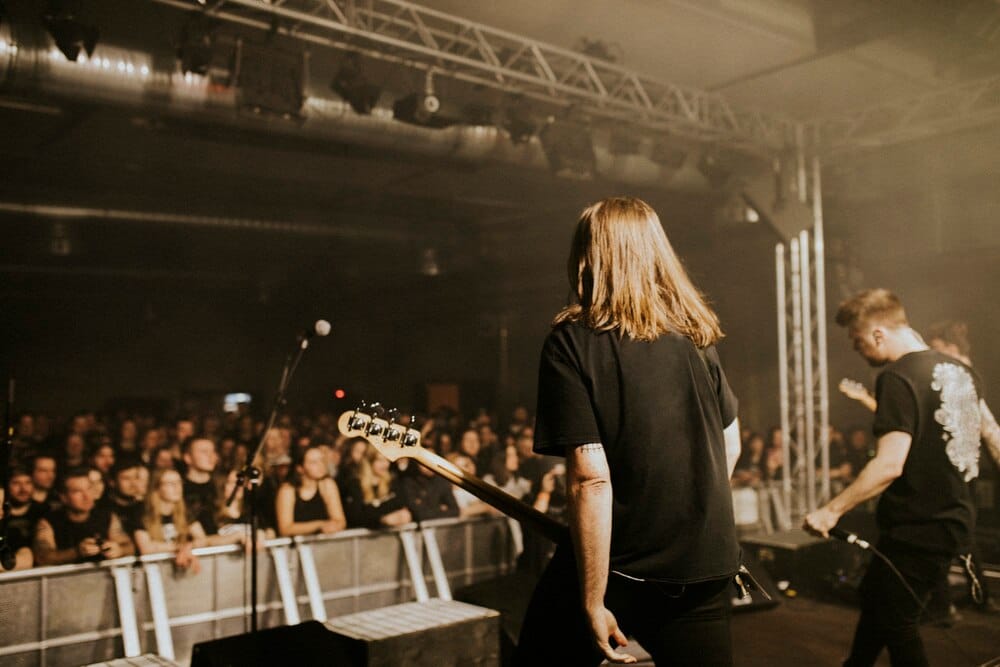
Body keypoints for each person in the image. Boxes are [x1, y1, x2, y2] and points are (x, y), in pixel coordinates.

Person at [515, 197, 742, 666]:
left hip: (623, 567)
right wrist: (687, 515)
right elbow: (730, 442)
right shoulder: (696, 335)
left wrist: (593, 601)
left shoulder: (573, 340)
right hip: (708, 565)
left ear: (588, 255)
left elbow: (590, 478)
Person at [804, 289, 987, 666]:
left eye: (858, 343)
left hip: (919, 525)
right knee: (876, 600)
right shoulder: (963, 371)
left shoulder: (897, 377)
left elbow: (890, 464)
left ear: (878, 334)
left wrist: (831, 511)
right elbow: (985, 438)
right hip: (954, 517)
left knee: (897, 620)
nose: (859, 353)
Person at [34, 467, 134, 565]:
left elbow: (129, 547)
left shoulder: (106, 516)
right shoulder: (48, 521)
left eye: (89, 489)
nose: (86, 496)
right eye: (77, 491)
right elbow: (42, 558)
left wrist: (119, 550)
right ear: (64, 497)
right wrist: (76, 552)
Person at [135, 468, 206, 571]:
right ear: (157, 488)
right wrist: (180, 548)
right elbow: (146, 548)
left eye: (179, 482)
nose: (177, 487)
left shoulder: (185, 511)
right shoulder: (142, 513)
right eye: (170, 483)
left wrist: (187, 547)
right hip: (154, 571)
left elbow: (202, 539)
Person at [275, 443, 347, 536]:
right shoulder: (287, 490)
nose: (320, 465)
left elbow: (340, 521)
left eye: (321, 460)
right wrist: (319, 525)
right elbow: (285, 529)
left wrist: (335, 526)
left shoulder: (327, 484)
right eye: (314, 462)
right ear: (300, 468)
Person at [339, 444, 412, 529]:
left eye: (387, 460)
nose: (385, 464)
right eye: (380, 460)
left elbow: (402, 503)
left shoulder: (392, 481)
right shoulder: (355, 484)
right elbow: (356, 516)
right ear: (369, 461)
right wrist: (382, 519)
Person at [1, 467, 45, 569]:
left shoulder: (44, 510)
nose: (23, 489)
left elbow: (26, 555)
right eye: (16, 483)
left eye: (28, 483)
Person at [181, 436, 220, 537]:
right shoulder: (179, 489)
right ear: (188, 458)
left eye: (213, 451)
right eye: (204, 452)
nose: (211, 456)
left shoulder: (222, 485)